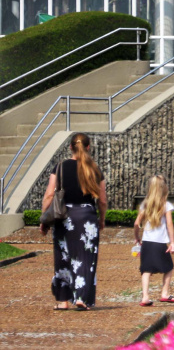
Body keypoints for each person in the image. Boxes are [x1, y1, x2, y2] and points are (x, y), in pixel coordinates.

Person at [39, 133, 108, 310]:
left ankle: (62, 301)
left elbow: (48, 195)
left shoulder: (60, 167)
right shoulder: (94, 168)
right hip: (87, 217)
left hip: (64, 216)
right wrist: (101, 219)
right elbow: (102, 200)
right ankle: (81, 298)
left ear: (70, 147)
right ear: (88, 147)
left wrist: (44, 219)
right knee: (85, 258)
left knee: (63, 256)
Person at [133, 175, 174, 306]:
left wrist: (137, 237)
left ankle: (145, 297)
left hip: (147, 242)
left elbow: (136, 223)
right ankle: (164, 293)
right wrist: (172, 242)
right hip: (160, 243)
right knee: (169, 267)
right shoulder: (166, 205)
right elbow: (169, 224)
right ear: (164, 188)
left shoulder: (144, 204)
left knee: (146, 270)